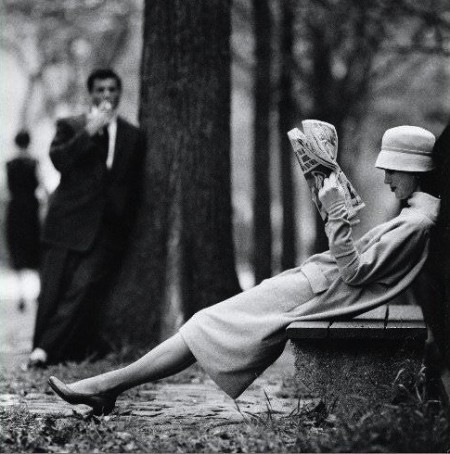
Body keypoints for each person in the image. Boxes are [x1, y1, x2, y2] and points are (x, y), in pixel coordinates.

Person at [48, 125, 442, 415]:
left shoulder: (416, 223)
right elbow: (356, 266)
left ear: (416, 171)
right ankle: (109, 386)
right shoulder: (415, 216)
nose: (387, 178)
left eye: (393, 170)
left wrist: (337, 215)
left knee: (203, 326)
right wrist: (328, 205)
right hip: (312, 285)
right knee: (203, 325)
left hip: (316, 293)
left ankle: (107, 385)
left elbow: (355, 272)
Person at [29, 69, 146, 367]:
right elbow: (59, 160)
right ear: (91, 93)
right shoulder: (70, 126)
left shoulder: (132, 135)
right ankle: (41, 347)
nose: (106, 95)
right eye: (100, 89)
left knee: (81, 290)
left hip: (106, 229)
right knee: (52, 291)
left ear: (119, 93)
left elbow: (132, 183)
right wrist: (90, 131)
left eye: (112, 89)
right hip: (66, 224)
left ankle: (45, 350)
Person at [5, 130, 42, 312]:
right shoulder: (33, 163)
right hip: (30, 210)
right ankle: (39, 290)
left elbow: (6, 189)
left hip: (15, 210)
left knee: (17, 251)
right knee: (35, 249)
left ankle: (21, 294)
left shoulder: (10, 164)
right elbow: (40, 185)